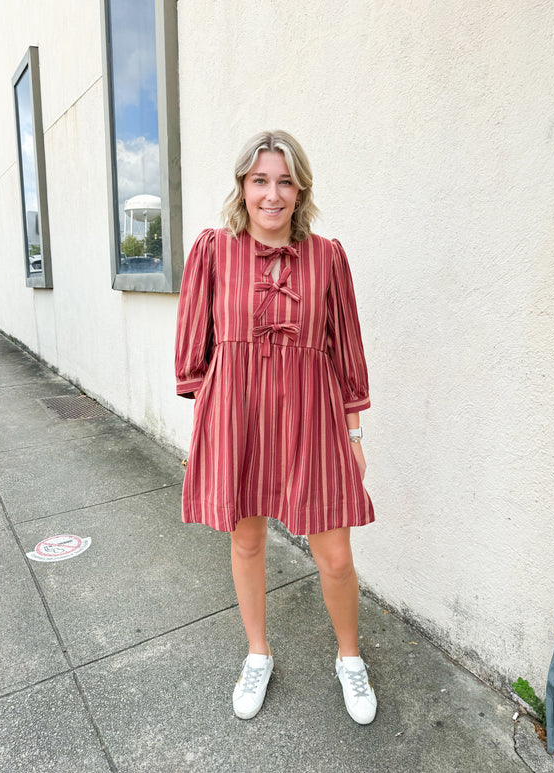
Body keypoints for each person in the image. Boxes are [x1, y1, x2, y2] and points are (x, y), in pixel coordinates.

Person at [174, 130, 377, 725]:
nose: (272, 193)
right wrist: (208, 432)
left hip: (313, 419)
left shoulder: (328, 257)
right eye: (260, 180)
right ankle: (257, 653)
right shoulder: (212, 250)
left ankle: (349, 659)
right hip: (237, 416)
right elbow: (196, 350)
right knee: (247, 539)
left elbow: (346, 347)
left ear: (300, 188)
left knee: (335, 554)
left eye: (284, 180)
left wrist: (355, 432)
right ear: (243, 185)